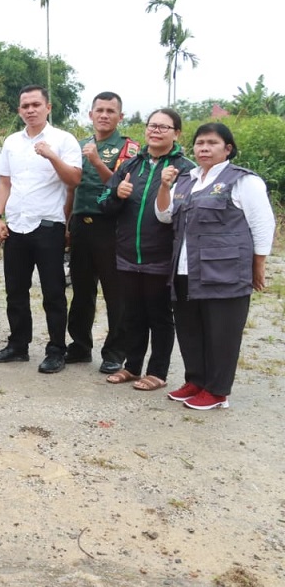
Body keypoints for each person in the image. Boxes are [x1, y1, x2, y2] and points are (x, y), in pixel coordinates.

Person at [156, 123, 275, 410]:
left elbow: (262, 223)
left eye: (212, 143)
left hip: (225, 270)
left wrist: (257, 264)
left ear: (228, 148)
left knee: (221, 332)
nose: (204, 148)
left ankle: (217, 390)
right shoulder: (186, 179)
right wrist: (163, 186)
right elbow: (163, 215)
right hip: (186, 269)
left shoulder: (243, 181)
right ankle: (196, 381)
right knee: (190, 329)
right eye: (199, 143)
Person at [98, 109, 193, 392]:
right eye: (152, 126)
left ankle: (158, 371)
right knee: (132, 313)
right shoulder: (130, 165)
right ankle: (132, 365)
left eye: (164, 127)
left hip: (162, 255)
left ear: (176, 133)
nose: (156, 131)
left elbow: (188, 210)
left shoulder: (184, 168)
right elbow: (103, 202)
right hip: (127, 253)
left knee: (159, 315)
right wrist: (117, 195)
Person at [0, 85, 82, 374]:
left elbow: (74, 180)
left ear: (48, 107)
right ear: (19, 110)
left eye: (35, 105)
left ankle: (56, 350)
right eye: (25, 106)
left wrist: (52, 156)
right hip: (15, 226)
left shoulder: (63, 140)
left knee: (53, 292)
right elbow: (4, 181)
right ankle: (18, 344)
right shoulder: (13, 142)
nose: (30, 110)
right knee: (15, 290)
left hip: (48, 226)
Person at [66, 92, 140, 374]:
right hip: (80, 224)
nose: (104, 115)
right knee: (82, 290)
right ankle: (80, 345)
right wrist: (66, 222)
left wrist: (97, 161)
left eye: (111, 111)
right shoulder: (79, 145)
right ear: (91, 114)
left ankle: (114, 352)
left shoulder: (128, 148)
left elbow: (119, 185)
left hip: (110, 226)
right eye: (100, 110)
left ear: (120, 117)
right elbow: (71, 187)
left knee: (115, 293)